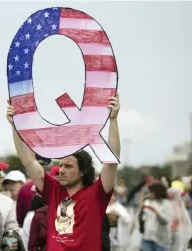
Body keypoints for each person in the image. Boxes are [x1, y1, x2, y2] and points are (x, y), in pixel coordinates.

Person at [6, 93, 121, 251]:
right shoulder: (54, 190)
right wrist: (15, 125)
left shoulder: (97, 194)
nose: (61, 170)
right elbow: (28, 161)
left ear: (83, 171)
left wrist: (113, 120)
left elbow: (111, 163)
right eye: (60, 166)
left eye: (68, 166)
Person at [139, 182, 172, 251]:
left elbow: (165, 221)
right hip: (147, 238)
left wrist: (155, 211)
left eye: (151, 192)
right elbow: (142, 218)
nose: (149, 194)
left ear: (157, 192)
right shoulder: (148, 202)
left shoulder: (167, 204)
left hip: (160, 240)